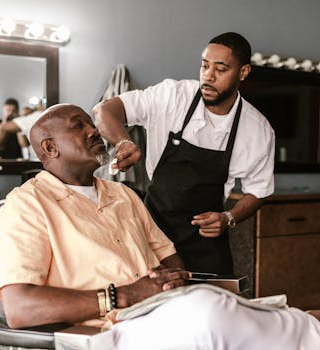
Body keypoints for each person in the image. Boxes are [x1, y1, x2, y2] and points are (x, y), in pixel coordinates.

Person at [0, 104, 320, 350]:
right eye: (79, 127)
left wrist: (173, 279)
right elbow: (20, 309)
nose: (93, 130)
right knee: (209, 315)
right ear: (48, 147)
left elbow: (168, 256)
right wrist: (126, 293)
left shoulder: (122, 195)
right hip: (103, 331)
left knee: (236, 305)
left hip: (158, 313)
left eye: (90, 122)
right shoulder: (25, 207)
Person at [93, 32, 275, 275]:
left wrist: (228, 217)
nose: (208, 76)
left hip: (205, 243)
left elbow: (259, 192)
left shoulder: (257, 130)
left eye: (220, 69)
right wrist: (123, 142)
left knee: (212, 306)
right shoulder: (172, 96)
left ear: (243, 72)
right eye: (204, 66)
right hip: (152, 232)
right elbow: (105, 110)